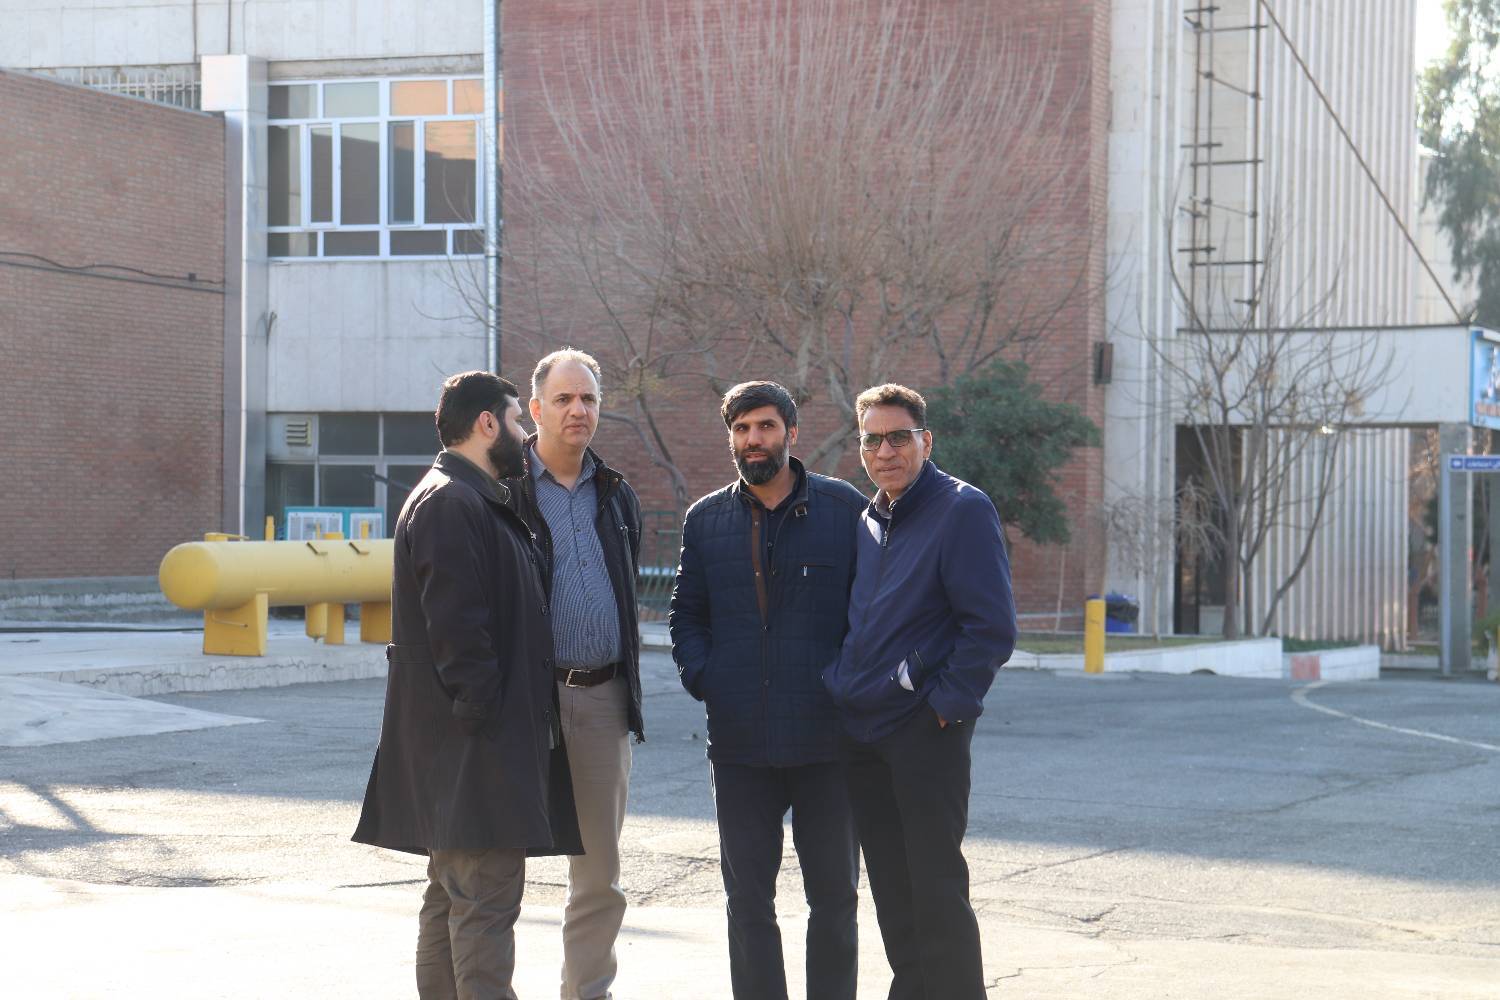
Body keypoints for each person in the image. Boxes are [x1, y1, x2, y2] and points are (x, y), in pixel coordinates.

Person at [352, 370, 582, 1000]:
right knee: (484, 902)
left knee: (451, 898)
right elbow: (458, 628)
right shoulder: (453, 502)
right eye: (517, 419)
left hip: (462, 745)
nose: (525, 435)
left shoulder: (463, 496)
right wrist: (486, 722)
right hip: (475, 748)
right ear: (487, 423)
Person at [669, 380, 866, 1000]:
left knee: (834, 899)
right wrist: (706, 678)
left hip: (828, 743)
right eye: (741, 429)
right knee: (748, 901)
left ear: (791, 433)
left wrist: (845, 686)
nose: (752, 439)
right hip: (740, 744)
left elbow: (870, 614)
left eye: (765, 426)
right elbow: (686, 614)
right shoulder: (705, 520)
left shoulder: (844, 509)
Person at [822, 382, 1017, 1000]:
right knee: (891, 889)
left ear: (925, 441)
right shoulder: (868, 518)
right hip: (863, 731)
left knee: (935, 889)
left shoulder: (962, 509)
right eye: (872, 440)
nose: (886, 451)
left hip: (923, 732)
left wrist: (944, 709)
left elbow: (990, 628)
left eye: (898, 437)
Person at [503, 348, 644, 1000]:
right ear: (535, 409)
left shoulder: (616, 494)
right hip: (521, 702)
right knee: (494, 863)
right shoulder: (502, 490)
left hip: (601, 698)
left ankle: (587, 992)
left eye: (588, 398)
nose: (577, 410)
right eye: (563, 399)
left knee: (598, 874)